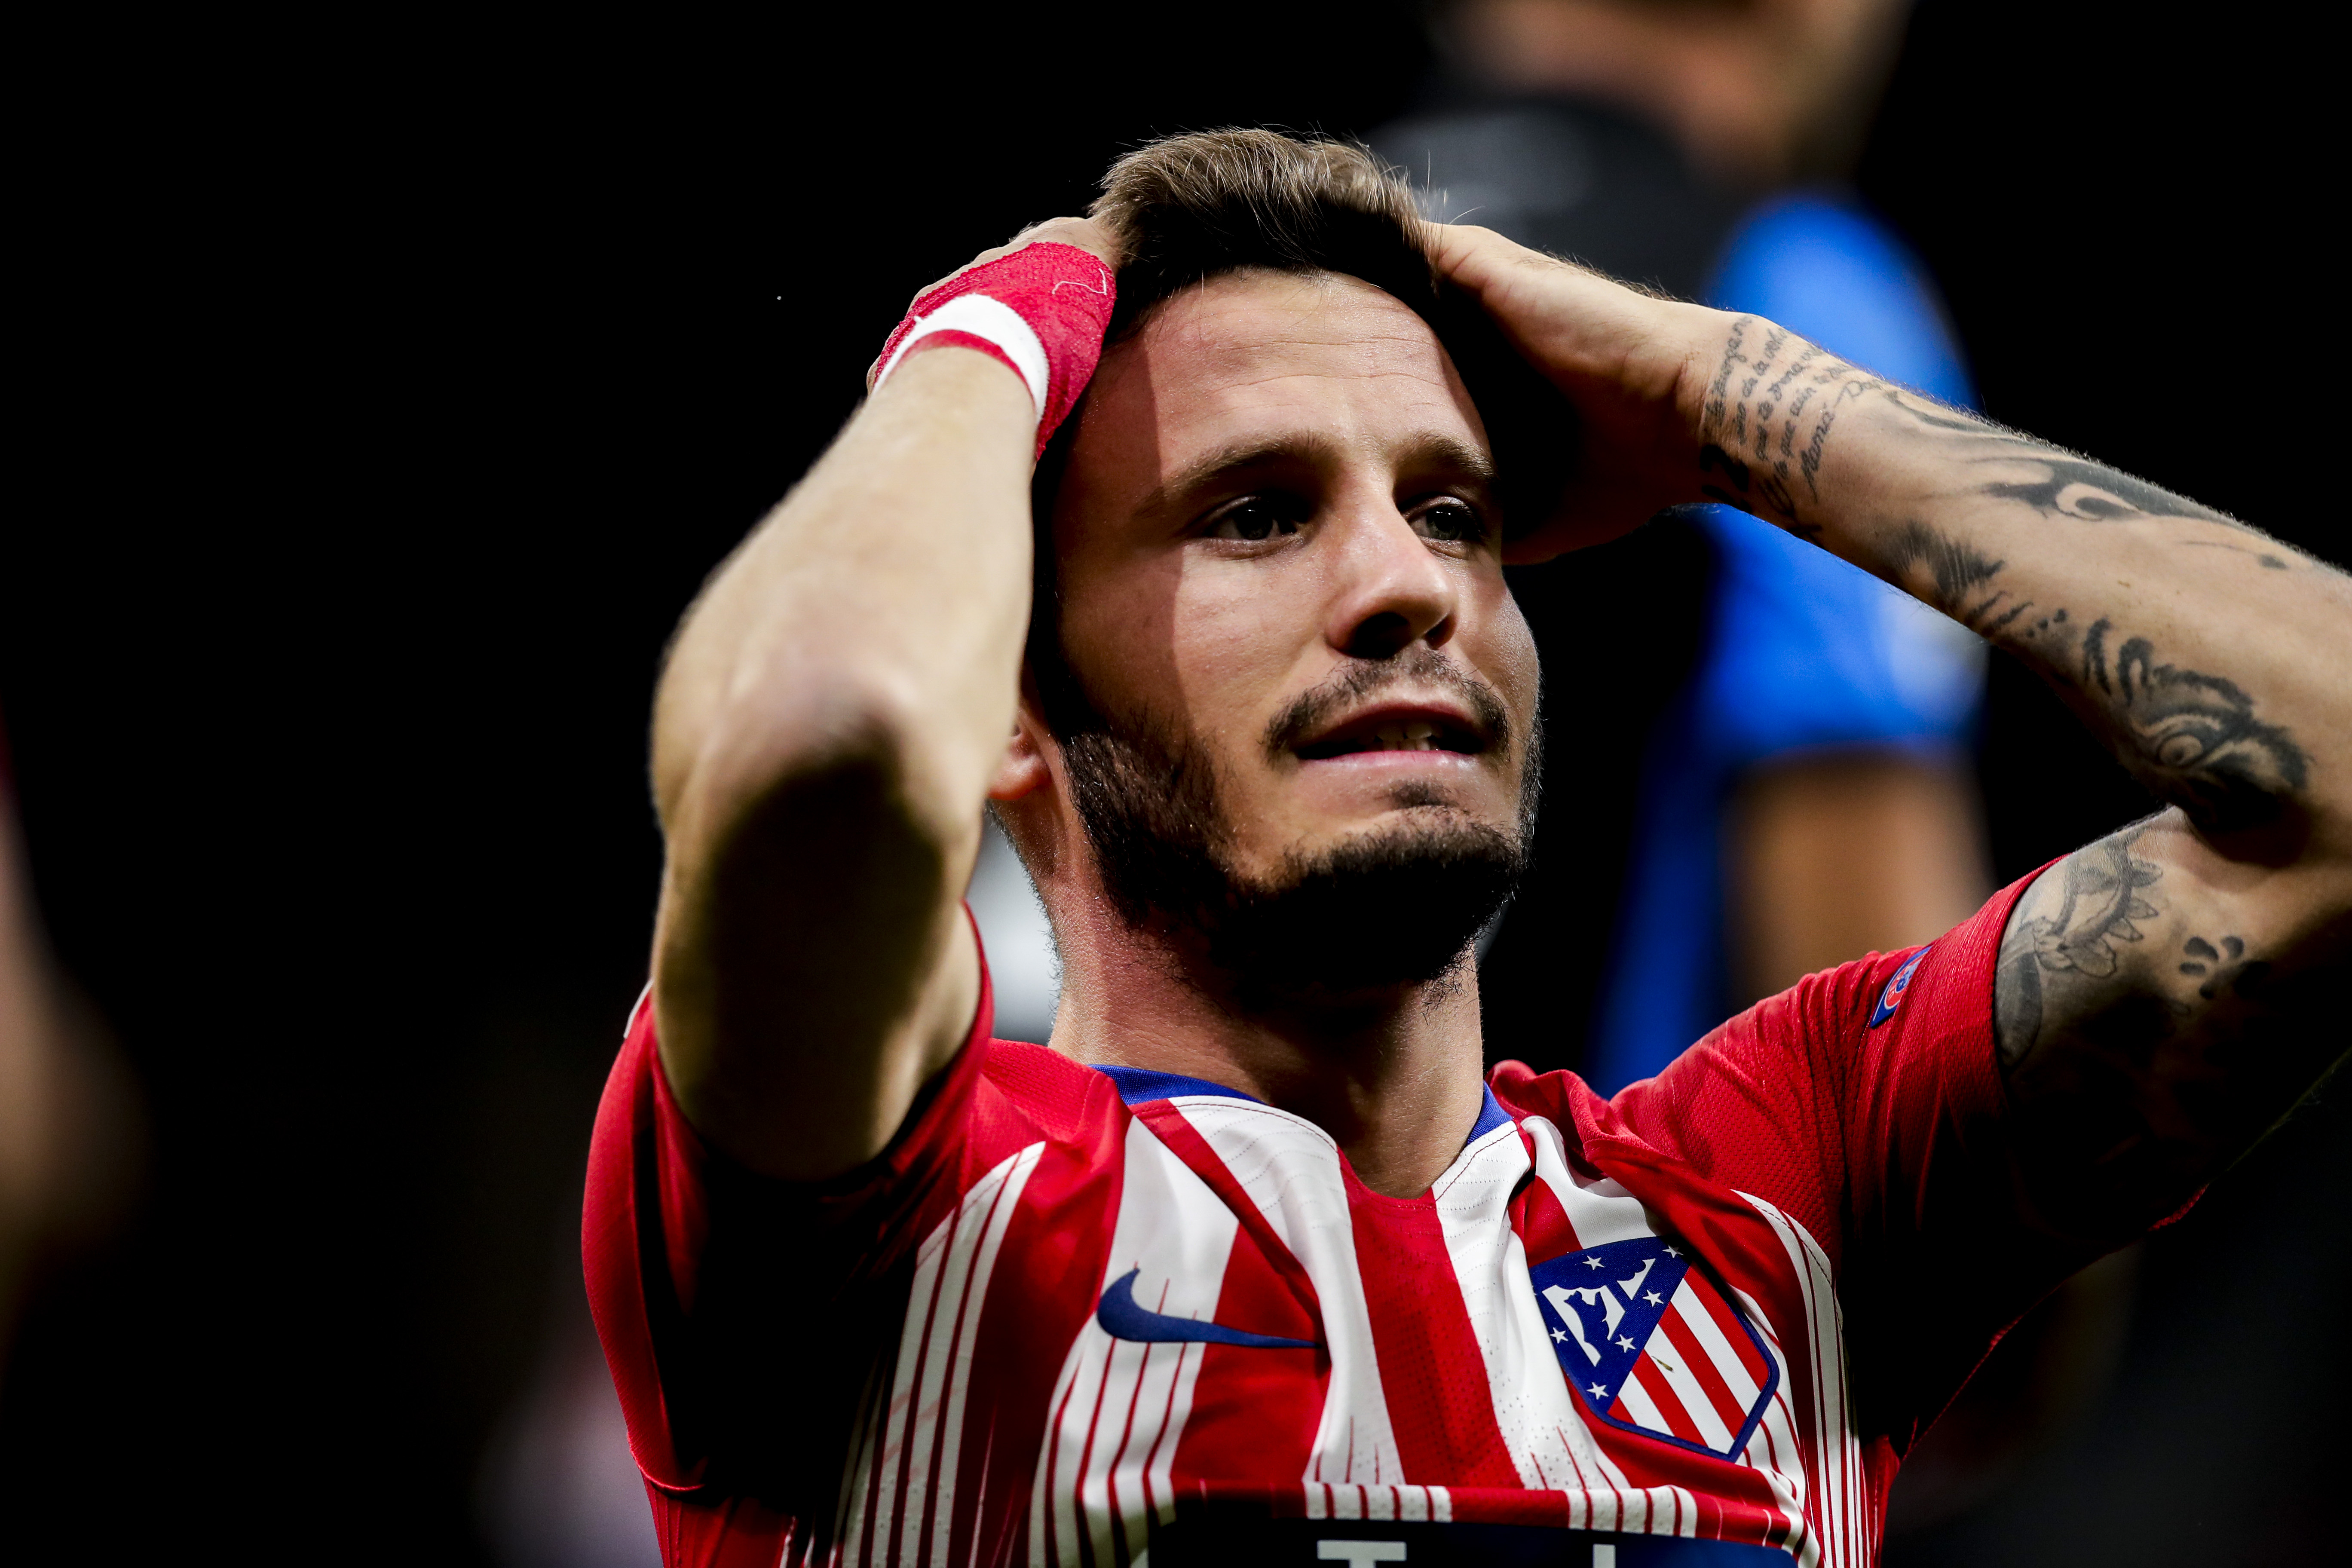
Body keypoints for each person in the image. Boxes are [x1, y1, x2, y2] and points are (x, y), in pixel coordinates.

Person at [584, 131, 2349, 1566]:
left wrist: (1724, 392)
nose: (1410, 587)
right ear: (1018, 714)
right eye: (1259, 514)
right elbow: (821, 741)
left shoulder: (1784, 1197)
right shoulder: (889, 1213)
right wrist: (979, 349)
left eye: (1454, 512)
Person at [1375, 0, 1989, 1093]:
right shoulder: (1787, 304)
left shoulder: (1236, 269)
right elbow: (1912, 1094)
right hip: (1511, 1246)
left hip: (1070, 1217)